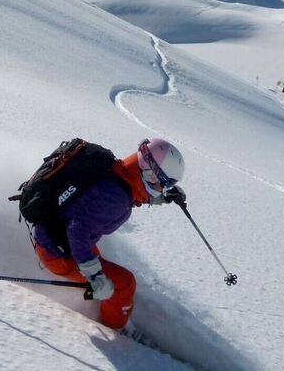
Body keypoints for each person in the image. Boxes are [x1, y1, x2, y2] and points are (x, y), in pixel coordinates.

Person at [32, 138, 186, 339]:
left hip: (58, 235)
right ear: (151, 173)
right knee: (125, 284)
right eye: (164, 183)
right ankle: (117, 329)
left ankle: (104, 296)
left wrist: (161, 197)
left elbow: (131, 191)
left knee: (105, 269)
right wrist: (94, 276)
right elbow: (78, 230)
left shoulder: (120, 173)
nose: (163, 188)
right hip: (57, 251)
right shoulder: (117, 198)